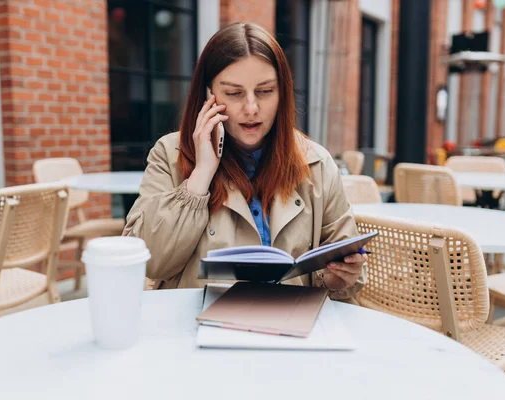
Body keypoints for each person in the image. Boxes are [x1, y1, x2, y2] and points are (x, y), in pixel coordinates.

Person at [123, 23, 367, 303]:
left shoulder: (316, 163)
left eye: (265, 91)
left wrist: (338, 277)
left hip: (291, 329)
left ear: (282, 93)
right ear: (207, 95)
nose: (251, 108)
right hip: (195, 330)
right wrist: (201, 174)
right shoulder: (169, 154)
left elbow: (350, 274)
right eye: (234, 93)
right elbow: (150, 262)